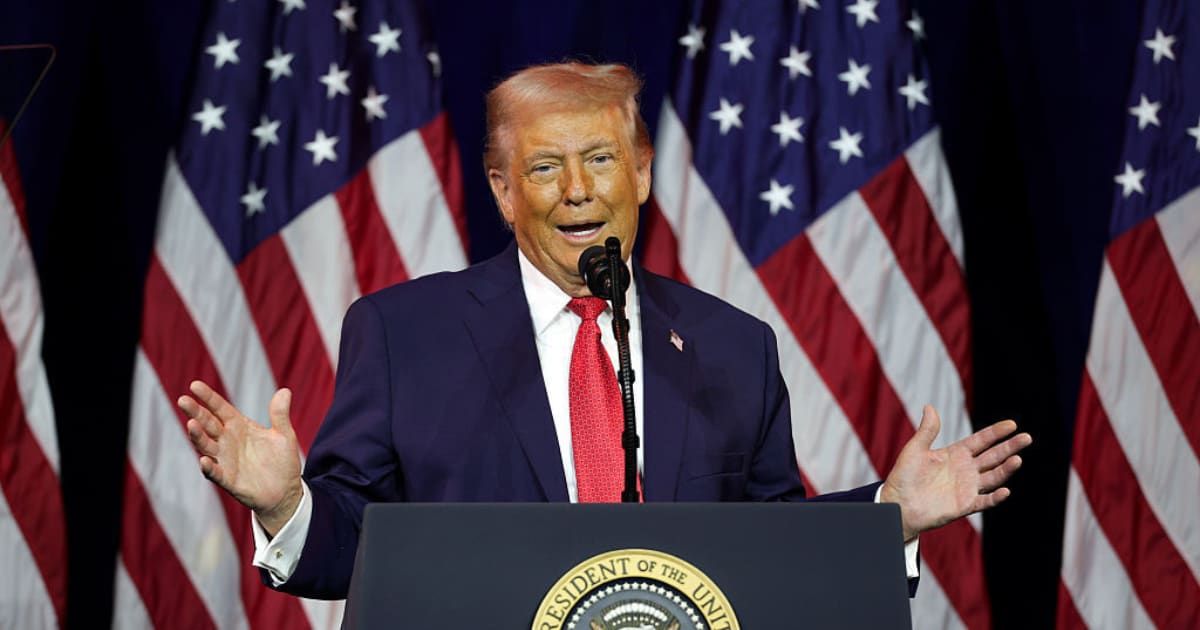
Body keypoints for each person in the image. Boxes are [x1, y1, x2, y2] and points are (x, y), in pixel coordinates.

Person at [180, 62, 1031, 600]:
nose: (578, 190)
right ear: (503, 191)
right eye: (545, 167)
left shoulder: (733, 347)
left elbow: (769, 551)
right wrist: (287, 504)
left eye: (599, 160)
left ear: (643, 173)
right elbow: (354, 554)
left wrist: (888, 516)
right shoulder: (404, 335)